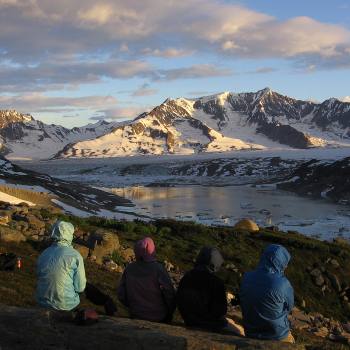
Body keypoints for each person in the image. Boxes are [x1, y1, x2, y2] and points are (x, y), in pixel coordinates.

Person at [177, 247, 244, 335]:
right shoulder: (216, 282)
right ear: (215, 263)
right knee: (240, 331)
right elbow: (220, 312)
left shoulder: (187, 277)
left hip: (189, 321)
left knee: (231, 321)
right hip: (210, 325)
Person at [240, 244, 295, 343]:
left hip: (251, 332)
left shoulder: (246, 277)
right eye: (285, 263)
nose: (286, 266)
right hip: (277, 335)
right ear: (281, 262)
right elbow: (289, 307)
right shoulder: (283, 283)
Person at [117, 237, 175, 323]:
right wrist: (170, 311)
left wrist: (131, 306)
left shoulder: (129, 268)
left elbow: (121, 293)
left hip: (135, 314)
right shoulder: (158, 269)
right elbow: (169, 293)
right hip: (159, 317)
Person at [36, 220, 86, 311]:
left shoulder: (44, 253)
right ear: (69, 234)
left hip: (42, 301)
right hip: (66, 304)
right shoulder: (75, 255)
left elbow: (38, 274)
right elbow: (80, 287)